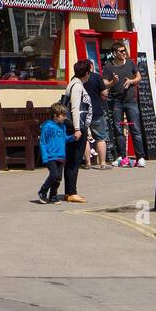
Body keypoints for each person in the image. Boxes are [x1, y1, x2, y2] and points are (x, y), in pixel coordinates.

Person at [103, 40, 144, 167]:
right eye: (121, 51)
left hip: (131, 101)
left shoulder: (131, 63)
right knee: (118, 129)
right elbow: (104, 83)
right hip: (117, 102)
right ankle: (122, 157)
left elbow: (139, 77)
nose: (124, 53)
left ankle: (140, 157)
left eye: (124, 50)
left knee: (135, 128)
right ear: (115, 53)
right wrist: (113, 82)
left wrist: (131, 81)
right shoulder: (109, 66)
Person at [62, 60, 92, 203]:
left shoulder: (72, 83)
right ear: (87, 73)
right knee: (74, 160)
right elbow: (75, 108)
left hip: (76, 126)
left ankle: (69, 192)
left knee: (71, 160)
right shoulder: (77, 86)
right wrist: (78, 129)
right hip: (76, 127)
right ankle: (71, 192)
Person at [36, 104, 69, 204]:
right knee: (54, 175)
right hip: (51, 156)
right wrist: (45, 156)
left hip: (61, 156)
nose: (65, 117)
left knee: (58, 178)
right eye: (62, 115)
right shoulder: (48, 126)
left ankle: (53, 195)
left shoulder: (62, 126)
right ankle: (43, 191)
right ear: (55, 115)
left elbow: (64, 138)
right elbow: (43, 142)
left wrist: (73, 137)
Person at [84, 59, 109, 170]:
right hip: (97, 111)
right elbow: (104, 93)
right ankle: (102, 163)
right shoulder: (96, 77)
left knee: (85, 138)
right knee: (100, 138)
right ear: (91, 66)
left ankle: (88, 163)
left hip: (83, 112)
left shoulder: (77, 79)